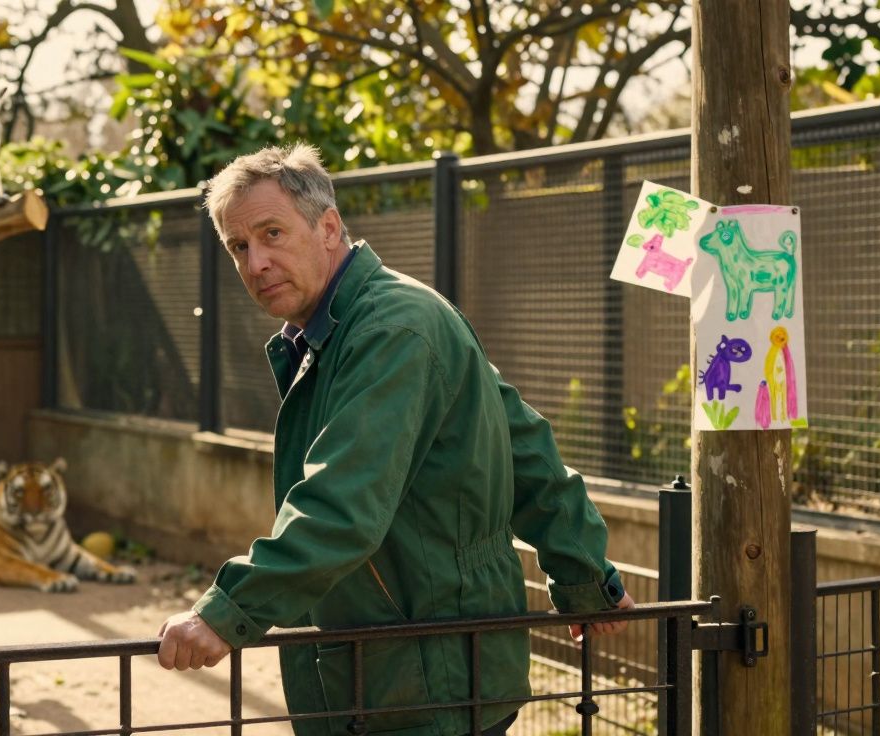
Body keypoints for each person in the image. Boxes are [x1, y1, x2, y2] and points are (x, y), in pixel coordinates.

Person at [156, 144, 634, 736]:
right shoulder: (360, 324)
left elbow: (342, 504)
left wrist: (228, 611)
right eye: (239, 246)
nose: (256, 263)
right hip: (423, 671)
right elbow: (527, 450)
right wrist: (588, 579)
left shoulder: (391, 329)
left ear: (329, 228)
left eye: (272, 234)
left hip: (425, 680)